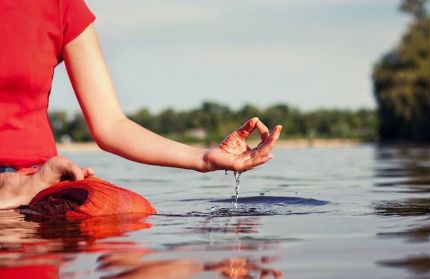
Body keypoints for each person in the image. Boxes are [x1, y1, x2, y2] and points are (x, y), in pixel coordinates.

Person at [0, 0, 282, 209]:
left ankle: (210, 267)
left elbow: (111, 124)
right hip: (16, 187)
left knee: (126, 209)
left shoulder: (60, 5)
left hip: (40, 183)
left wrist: (204, 158)